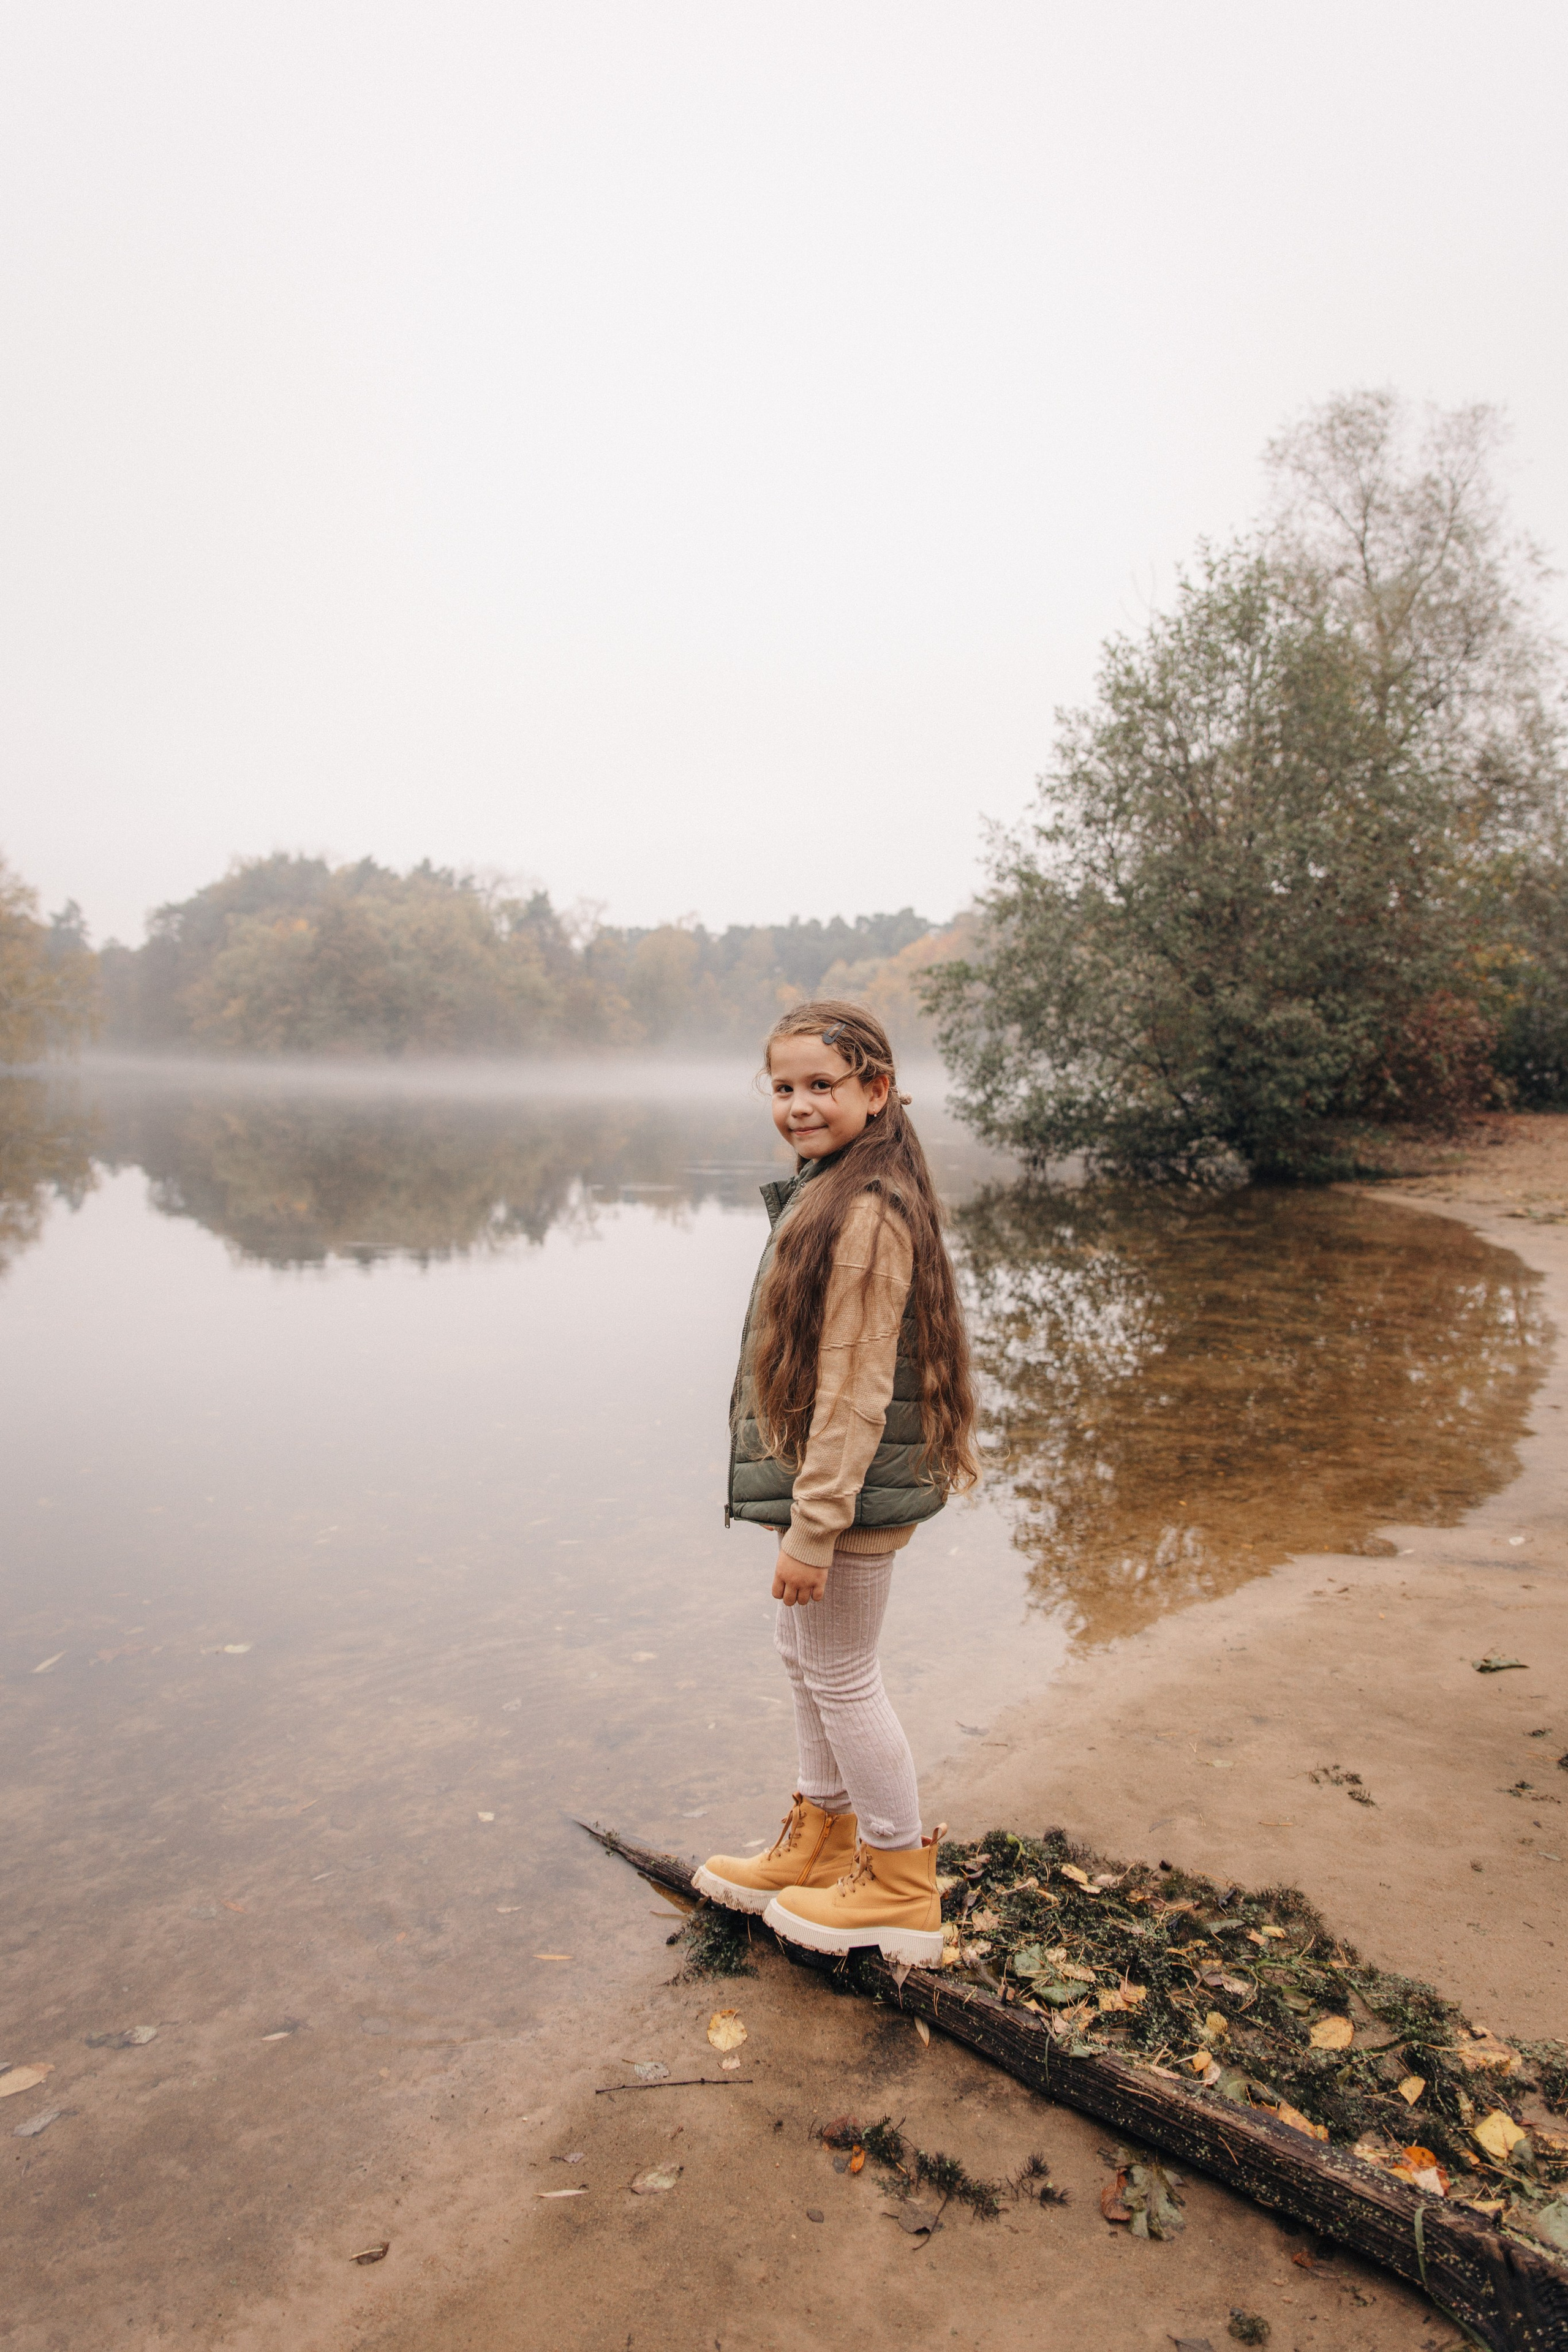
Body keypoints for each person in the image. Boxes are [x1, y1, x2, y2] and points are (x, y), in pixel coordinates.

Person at [695, 1001, 978, 1966]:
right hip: (835, 1488)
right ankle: (822, 1842)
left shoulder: (865, 1208)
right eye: (785, 1087)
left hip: (846, 1493)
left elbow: (857, 1389)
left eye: (823, 1085)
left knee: (844, 1672)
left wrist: (813, 1528)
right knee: (801, 1651)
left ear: (876, 1091)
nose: (800, 1105)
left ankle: (899, 1880)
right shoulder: (833, 1187)